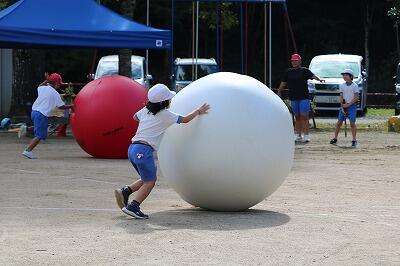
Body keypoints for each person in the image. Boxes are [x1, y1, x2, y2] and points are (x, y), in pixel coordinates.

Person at [114, 84, 210, 219]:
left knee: (146, 178)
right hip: (144, 150)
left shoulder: (145, 110)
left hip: (133, 149)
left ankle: (126, 191)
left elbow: (135, 117)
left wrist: (149, 122)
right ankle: (134, 206)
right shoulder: (165, 114)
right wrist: (197, 111)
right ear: (164, 102)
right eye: (169, 99)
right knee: (150, 182)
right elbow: (185, 119)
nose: (171, 101)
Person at [22, 73, 73, 159]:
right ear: (56, 83)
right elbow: (61, 106)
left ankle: (26, 129)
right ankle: (28, 151)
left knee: (42, 126)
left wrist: (47, 80)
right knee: (40, 135)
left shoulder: (43, 88)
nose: (59, 85)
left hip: (34, 112)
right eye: (59, 84)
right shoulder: (55, 93)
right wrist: (71, 106)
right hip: (41, 114)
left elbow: (39, 85)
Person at [278, 54, 324, 143]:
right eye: (292, 61)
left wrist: (320, 79)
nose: (294, 62)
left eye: (296, 61)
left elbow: (313, 76)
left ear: (299, 61)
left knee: (304, 116)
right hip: (293, 97)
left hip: (304, 97)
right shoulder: (288, 72)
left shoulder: (304, 71)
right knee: (297, 117)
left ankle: (306, 135)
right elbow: (283, 82)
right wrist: (279, 91)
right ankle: (298, 135)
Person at [330, 69, 359, 148]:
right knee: (339, 123)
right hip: (344, 106)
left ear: (351, 76)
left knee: (352, 123)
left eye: (346, 75)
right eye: (344, 75)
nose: (344, 76)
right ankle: (335, 138)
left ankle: (354, 140)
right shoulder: (342, 85)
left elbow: (356, 97)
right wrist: (342, 106)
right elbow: (341, 97)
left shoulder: (355, 86)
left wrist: (348, 104)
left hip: (352, 106)